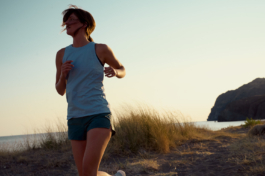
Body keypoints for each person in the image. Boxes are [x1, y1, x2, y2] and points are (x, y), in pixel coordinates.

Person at [55, 4, 126, 176]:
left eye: (71, 19)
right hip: (74, 117)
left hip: (98, 113)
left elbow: (122, 69)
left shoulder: (100, 49)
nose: (67, 23)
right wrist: (63, 75)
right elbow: (59, 90)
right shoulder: (62, 54)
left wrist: (115, 71)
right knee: (85, 174)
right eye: (66, 20)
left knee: (88, 170)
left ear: (84, 24)